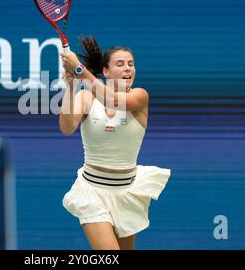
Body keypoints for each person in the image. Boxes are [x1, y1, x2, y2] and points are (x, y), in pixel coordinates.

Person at [59, 35, 171, 250]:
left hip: (126, 191)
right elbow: (66, 127)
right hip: (91, 191)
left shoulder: (139, 96)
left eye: (131, 64)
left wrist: (80, 71)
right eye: (120, 64)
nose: (128, 68)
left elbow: (113, 100)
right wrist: (70, 86)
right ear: (106, 72)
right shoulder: (87, 98)